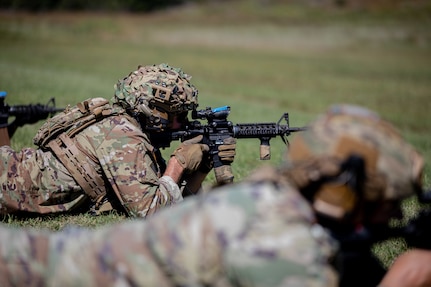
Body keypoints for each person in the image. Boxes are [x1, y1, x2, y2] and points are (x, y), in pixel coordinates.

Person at [0, 104, 425, 287]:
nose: (393, 215)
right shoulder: (278, 243)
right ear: (351, 196)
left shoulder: (268, 195)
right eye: (390, 204)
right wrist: (407, 275)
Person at [0, 63, 236, 218]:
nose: (183, 122)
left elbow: (175, 201)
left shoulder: (118, 123)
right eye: (178, 115)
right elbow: (151, 211)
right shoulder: (124, 137)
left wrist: (203, 165)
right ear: (153, 112)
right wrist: (178, 164)